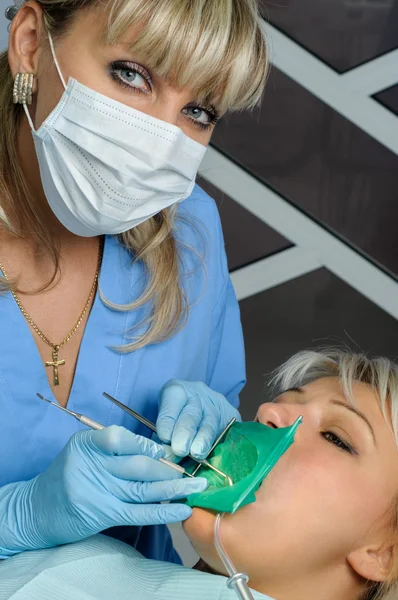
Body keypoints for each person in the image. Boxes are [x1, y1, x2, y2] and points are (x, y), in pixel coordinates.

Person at [0, 0, 268, 562]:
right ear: (29, 41)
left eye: (198, 111)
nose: (159, 137)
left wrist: (216, 443)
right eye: (132, 75)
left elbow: (216, 438)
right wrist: (19, 519)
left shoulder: (191, 232)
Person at [1, 348, 398, 600]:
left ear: (385, 553)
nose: (267, 414)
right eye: (280, 402)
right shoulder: (94, 560)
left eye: (336, 437)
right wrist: (16, 522)